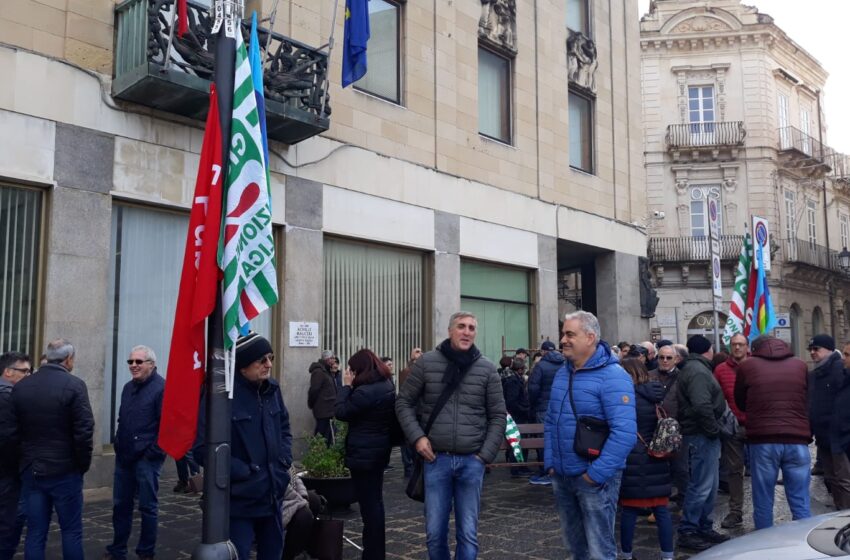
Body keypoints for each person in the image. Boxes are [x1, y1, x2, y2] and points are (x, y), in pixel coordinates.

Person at [396, 311, 506, 560]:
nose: (467, 332)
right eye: (461, 326)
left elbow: (498, 415)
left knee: (468, 533)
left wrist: (484, 456)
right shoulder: (427, 363)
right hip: (436, 460)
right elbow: (403, 403)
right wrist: (417, 438)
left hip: (471, 461)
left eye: (471, 328)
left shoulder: (487, 369)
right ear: (450, 330)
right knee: (435, 532)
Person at [544, 311, 636, 560]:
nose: (563, 339)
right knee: (575, 548)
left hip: (594, 479)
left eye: (570, 334)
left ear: (590, 337)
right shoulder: (563, 372)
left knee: (599, 551)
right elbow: (552, 419)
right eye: (563, 333)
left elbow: (625, 434)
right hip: (562, 475)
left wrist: (594, 476)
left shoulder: (614, 376)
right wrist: (551, 463)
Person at [197, 333, 291, 560]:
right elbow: (202, 448)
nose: (269, 365)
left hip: (272, 496)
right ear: (242, 366)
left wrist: (283, 461)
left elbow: (285, 428)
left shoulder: (272, 389)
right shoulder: (220, 397)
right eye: (261, 360)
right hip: (240, 501)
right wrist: (243, 472)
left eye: (271, 358)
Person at [12, 338, 94, 560]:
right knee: (71, 531)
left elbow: (13, 431)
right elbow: (84, 431)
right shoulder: (75, 385)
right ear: (68, 360)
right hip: (65, 470)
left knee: (36, 532)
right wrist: (81, 465)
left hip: (32, 469)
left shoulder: (22, 387)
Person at [735, 335, 811, 529]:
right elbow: (806, 398)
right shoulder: (800, 365)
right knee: (800, 499)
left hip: (763, 440)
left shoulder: (747, 366)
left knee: (763, 498)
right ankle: (804, 545)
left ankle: (765, 545)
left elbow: (740, 401)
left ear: (754, 349)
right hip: (797, 438)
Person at [104, 346, 166, 560]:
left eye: (138, 362)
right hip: (124, 457)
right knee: (121, 506)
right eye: (130, 362)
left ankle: (146, 552)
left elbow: (167, 427)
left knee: (148, 507)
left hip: (146, 459)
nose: (133, 366)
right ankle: (118, 548)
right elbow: (123, 419)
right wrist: (119, 442)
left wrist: (151, 454)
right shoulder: (127, 387)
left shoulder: (161, 388)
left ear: (151, 364)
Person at [335, 349, 397, 560]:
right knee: (375, 503)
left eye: (352, 369)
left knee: (369, 507)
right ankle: (374, 551)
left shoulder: (364, 392)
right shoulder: (387, 385)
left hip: (363, 454)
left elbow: (341, 412)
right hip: (380, 451)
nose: (350, 373)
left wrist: (345, 386)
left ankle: (373, 553)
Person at [675, 335, 729, 551]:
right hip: (702, 434)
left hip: (703, 434)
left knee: (710, 485)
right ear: (708, 350)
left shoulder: (696, 368)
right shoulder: (697, 370)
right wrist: (714, 430)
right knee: (701, 485)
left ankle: (703, 526)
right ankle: (688, 530)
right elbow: (701, 405)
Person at [618, 358, 674, 560]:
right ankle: (667, 555)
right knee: (661, 510)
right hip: (656, 455)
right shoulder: (656, 393)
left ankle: (626, 554)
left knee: (630, 511)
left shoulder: (624, 396)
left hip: (632, 456)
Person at [807, 334, 850, 510]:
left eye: (816, 349)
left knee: (843, 480)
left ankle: (845, 517)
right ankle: (839, 514)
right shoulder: (816, 372)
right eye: (810, 349)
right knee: (832, 479)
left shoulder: (839, 369)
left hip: (839, 436)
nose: (812, 352)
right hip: (824, 435)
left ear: (829, 349)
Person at [713, 333, 748, 529]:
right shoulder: (720, 369)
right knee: (734, 471)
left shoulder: (754, 366)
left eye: (741, 344)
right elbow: (715, 396)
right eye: (734, 344)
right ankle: (736, 511)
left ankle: (762, 510)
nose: (737, 348)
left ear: (747, 346)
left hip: (756, 426)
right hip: (732, 426)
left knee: (761, 470)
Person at [0, 352, 30, 560]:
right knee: (7, 522)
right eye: (25, 371)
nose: (29, 375)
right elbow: (10, 439)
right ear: (8, 372)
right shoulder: (9, 398)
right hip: (7, 472)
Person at [648, 342, 687, 506]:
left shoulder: (683, 377)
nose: (664, 360)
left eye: (668, 358)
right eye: (661, 357)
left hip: (676, 428)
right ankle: (657, 502)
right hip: (653, 428)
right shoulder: (649, 375)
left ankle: (683, 499)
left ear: (676, 359)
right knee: (656, 467)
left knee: (680, 466)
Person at [527, 340, 564, 486]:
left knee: (544, 440)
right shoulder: (564, 364)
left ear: (543, 352)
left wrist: (533, 404)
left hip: (543, 407)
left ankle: (545, 471)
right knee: (559, 438)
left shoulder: (540, 366)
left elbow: (533, 389)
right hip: (561, 407)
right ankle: (559, 470)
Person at [281, 468, 321, 560]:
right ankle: (288, 554)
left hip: (291, 495)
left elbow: (295, 478)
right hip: (278, 499)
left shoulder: (285, 455)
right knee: (304, 515)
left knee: (314, 500)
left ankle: (302, 546)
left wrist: (303, 495)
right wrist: (301, 501)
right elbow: (280, 483)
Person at [502, 356, 532, 477]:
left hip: (517, 415)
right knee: (517, 442)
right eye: (523, 368)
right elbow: (512, 402)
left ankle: (520, 466)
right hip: (517, 417)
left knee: (518, 442)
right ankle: (517, 468)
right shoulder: (513, 381)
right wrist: (524, 409)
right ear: (520, 369)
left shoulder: (513, 379)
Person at [398, 347, 423, 478]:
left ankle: (415, 466)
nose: (420, 353)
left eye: (421, 351)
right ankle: (409, 467)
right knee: (407, 441)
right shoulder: (406, 371)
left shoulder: (423, 369)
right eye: (417, 351)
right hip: (411, 409)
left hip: (420, 410)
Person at [308, 350, 338, 445]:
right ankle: (316, 455)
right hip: (323, 410)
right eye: (333, 358)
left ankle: (323, 455)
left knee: (328, 435)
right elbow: (314, 390)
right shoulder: (319, 372)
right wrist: (312, 404)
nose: (334, 360)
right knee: (321, 435)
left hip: (328, 409)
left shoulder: (327, 371)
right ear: (327, 359)